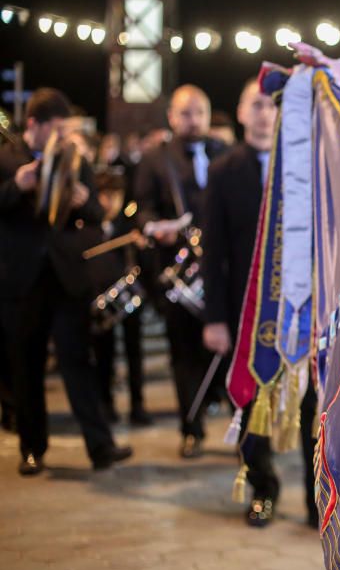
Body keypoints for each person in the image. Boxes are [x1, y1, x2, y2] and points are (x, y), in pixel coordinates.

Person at [201, 78, 319, 528]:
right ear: (241, 111)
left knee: (312, 408)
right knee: (250, 405)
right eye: (257, 104)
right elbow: (213, 252)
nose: (266, 113)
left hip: (303, 310)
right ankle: (263, 489)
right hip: (246, 313)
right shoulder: (224, 170)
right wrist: (215, 318)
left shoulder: (306, 167)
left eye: (275, 105)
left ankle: (316, 502)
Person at [0, 88, 133, 474]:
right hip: (22, 280)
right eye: (55, 129)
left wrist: (83, 201)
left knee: (78, 360)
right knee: (27, 364)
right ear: (34, 126)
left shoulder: (75, 160)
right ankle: (32, 448)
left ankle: (100, 447)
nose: (61, 137)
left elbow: (95, 212)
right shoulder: (7, 159)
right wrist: (16, 187)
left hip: (65, 277)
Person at [133, 84, 228, 458]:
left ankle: (237, 427)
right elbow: (140, 209)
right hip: (178, 273)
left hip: (221, 272)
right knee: (183, 351)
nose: (194, 120)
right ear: (172, 116)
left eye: (200, 112)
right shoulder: (155, 160)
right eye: (186, 113)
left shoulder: (226, 154)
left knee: (225, 350)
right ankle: (191, 428)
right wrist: (158, 226)